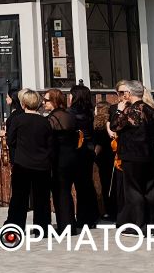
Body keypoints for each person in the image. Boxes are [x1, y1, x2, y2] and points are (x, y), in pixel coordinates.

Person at [108, 80, 154, 232]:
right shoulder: (151, 110)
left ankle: (139, 225)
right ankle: (152, 225)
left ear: (129, 94)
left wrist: (118, 110)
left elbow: (114, 126)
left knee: (133, 190)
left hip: (132, 155)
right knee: (150, 190)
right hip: (148, 155)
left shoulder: (130, 110)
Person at [5, 89, 52, 232]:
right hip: (42, 164)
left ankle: (15, 226)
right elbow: (49, 143)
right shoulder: (45, 122)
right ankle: (42, 228)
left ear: (24, 104)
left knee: (19, 197)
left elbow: (10, 140)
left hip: (22, 164)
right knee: (42, 198)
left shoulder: (18, 120)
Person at [45, 88, 77, 233]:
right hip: (70, 157)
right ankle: (70, 223)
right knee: (66, 191)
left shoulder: (52, 119)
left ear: (54, 101)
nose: (44, 103)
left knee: (60, 193)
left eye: (46, 100)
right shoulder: (69, 115)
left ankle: (65, 226)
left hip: (58, 159)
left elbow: (48, 141)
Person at [68, 85, 99, 229]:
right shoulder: (90, 111)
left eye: (70, 94)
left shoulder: (72, 113)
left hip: (78, 150)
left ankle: (83, 218)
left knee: (80, 185)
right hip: (89, 149)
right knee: (87, 183)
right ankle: (91, 216)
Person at [92, 100, 116, 221]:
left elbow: (99, 144)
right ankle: (114, 210)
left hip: (102, 158)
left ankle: (108, 211)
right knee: (113, 184)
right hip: (112, 156)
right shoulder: (111, 123)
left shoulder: (97, 125)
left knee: (105, 185)